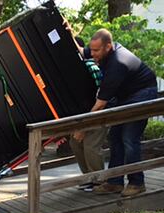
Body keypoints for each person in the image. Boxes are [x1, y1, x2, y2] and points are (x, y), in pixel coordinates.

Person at [67, 26, 158, 197]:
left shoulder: (118, 64)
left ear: (108, 47)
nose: (92, 54)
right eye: (92, 49)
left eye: (96, 50)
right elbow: (80, 51)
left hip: (143, 94)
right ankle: (115, 182)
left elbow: (100, 104)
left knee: (129, 138)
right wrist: (69, 33)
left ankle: (137, 182)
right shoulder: (102, 51)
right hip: (125, 96)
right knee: (115, 137)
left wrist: (83, 128)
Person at [69, 37, 107, 192]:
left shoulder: (91, 67)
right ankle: (89, 177)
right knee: (75, 143)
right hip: (82, 114)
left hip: (97, 112)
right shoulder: (71, 68)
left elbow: (101, 91)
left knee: (91, 146)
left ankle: (99, 181)